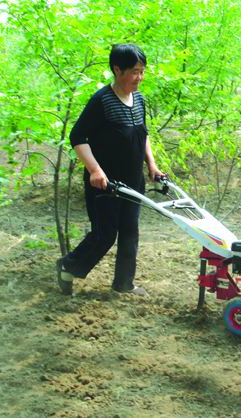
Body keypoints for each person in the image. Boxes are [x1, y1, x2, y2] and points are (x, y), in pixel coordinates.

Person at [56, 43, 164, 297]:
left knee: (129, 232)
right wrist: (95, 170)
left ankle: (123, 284)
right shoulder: (101, 101)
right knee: (105, 235)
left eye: (142, 71)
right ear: (117, 69)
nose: (140, 77)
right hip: (104, 183)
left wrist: (152, 164)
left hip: (133, 180)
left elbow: (142, 134)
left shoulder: (139, 100)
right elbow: (77, 137)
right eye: (135, 71)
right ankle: (67, 266)